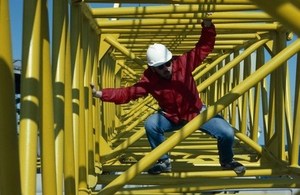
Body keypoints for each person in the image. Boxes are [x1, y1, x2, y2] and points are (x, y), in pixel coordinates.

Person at [90, 15, 246, 175]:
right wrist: (101, 94)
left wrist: (207, 25)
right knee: (151, 124)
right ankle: (163, 161)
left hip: (196, 113)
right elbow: (127, 93)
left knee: (227, 133)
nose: (166, 68)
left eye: (168, 63)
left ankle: (227, 161)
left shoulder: (183, 64)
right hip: (172, 117)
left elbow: (204, 47)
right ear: (153, 69)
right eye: (160, 66)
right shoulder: (150, 80)